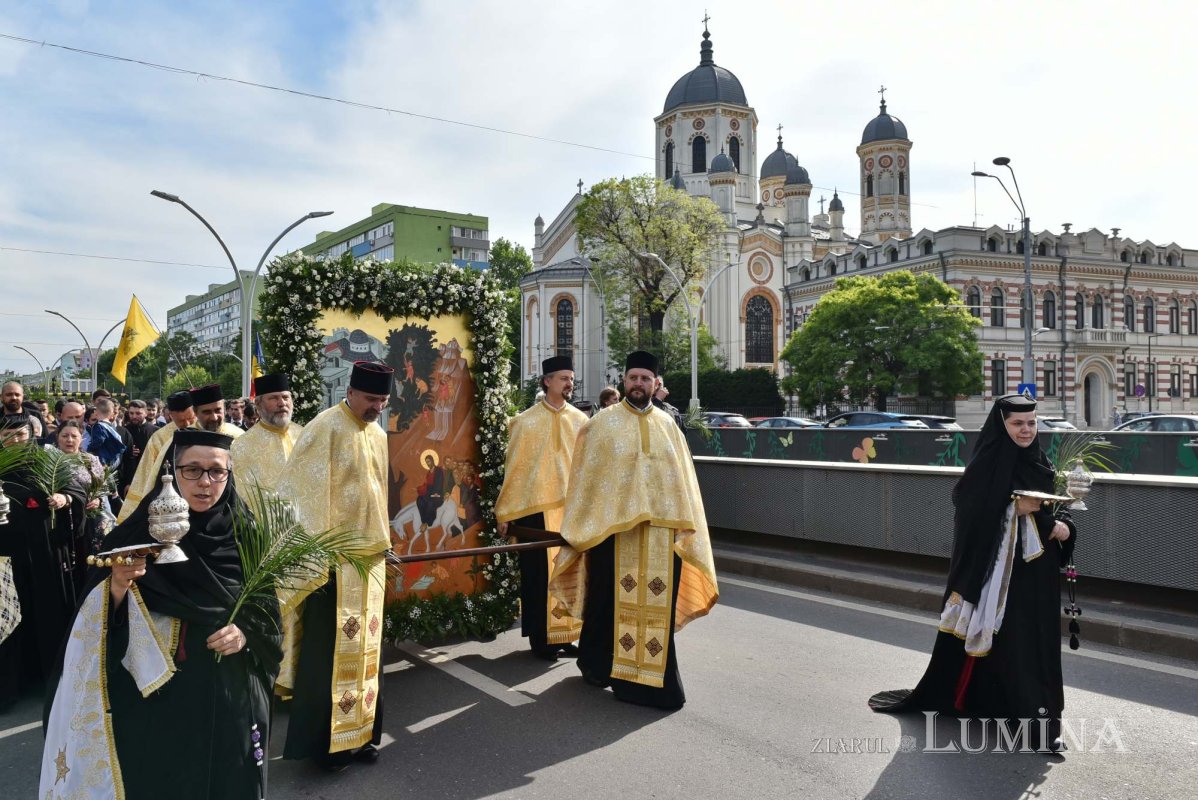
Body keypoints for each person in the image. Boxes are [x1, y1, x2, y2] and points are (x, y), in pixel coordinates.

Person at [41, 429, 283, 799]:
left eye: (217, 472)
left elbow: (266, 605)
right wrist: (118, 586)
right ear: (171, 471)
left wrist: (245, 631)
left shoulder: (247, 533)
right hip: (161, 696)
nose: (205, 483)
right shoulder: (134, 537)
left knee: (230, 779)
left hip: (230, 687)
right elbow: (92, 620)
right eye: (192, 470)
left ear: (229, 474)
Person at [868, 393, 1076, 753]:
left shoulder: (1040, 460)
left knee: (1040, 644)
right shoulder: (986, 463)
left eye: (1031, 423)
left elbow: (1052, 509)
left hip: (1039, 575)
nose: (1026, 430)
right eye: (1017, 424)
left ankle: (1033, 715)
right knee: (1015, 646)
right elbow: (968, 509)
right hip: (1002, 577)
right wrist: (1014, 506)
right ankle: (1039, 727)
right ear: (1002, 424)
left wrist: (1064, 526)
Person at [551, 351, 718, 710]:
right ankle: (598, 666)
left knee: (657, 607)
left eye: (645, 379)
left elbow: (683, 482)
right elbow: (585, 480)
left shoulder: (668, 426)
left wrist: (682, 525)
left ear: (655, 383)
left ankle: (652, 683)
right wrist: (586, 524)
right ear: (624, 381)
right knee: (607, 604)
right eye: (633, 378)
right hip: (614, 534)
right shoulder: (600, 425)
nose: (638, 384)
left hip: (661, 534)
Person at [277, 362, 392, 771]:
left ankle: (360, 735)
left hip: (370, 561)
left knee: (368, 652)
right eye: (370, 399)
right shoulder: (324, 428)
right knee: (331, 656)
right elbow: (299, 498)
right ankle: (327, 746)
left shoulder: (378, 433)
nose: (376, 407)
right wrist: (316, 557)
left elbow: (378, 496)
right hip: (333, 564)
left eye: (382, 400)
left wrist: (384, 543)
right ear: (350, 390)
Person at [496, 355, 587, 659]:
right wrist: (507, 512)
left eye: (571, 379)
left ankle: (566, 635)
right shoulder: (526, 421)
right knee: (538, 578)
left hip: (570, 511)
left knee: (571, 573)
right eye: (563, 378)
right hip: (536, 512)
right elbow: (516, 470)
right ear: (547, 381)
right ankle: (541, 638)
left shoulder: (581, 422)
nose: (569, 383)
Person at [0, 415, 85, 710]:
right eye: (7, 435)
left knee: (48, 610)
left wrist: (64, 498)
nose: (14, 440)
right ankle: (14, 683)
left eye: (19, 435)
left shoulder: (47, 460)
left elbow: (77, 490)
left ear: (32, 434)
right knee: (10, 618)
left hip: (44, 552)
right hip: (6, 556)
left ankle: (52, 676)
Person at [117, 390, 197, 523]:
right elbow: (146, 474)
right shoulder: (160, 437)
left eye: (191, 419)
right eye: (181, 421)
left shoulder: (208, 431)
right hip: (171, 498)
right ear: (171, 416)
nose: (187, 425)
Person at [51, 420, 110, 591]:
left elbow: (103, 488)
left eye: (74, 436)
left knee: (88, 563)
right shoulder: (50, 461)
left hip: (87, 522)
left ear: (81, 438)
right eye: (65, 436)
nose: (69, 440)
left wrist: (97, 500)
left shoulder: (90, 460)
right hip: (59, 522)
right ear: (57, 437)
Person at [230, 374, 303, 496]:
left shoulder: (304, 436)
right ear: (258, 404)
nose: (281, 403)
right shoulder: (242, 446)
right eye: (274, 398)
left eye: (285, 397)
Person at [121, 399, 157, 497]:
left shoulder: (156, 431)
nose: (134, 416)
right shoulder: (124, 431)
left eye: (138, 413)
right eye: (131, 413)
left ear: (145, 413)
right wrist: (127, 451)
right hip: (129, 478)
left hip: (150, 478)